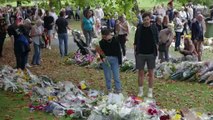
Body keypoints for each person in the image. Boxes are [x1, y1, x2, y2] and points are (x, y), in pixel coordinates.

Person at [134, 12, 159, 98]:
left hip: (151, 54)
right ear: (142, 20)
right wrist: (135, 52)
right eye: (144, 20)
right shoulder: (139, 28)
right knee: (140, 73)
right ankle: (140, 90)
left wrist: (156, 51)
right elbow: (135, 41)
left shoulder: (154, 28)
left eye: (148, 19)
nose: (146, 21)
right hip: (140, 53)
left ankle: (150, 91)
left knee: (151, 73)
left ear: (150, 19)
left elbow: (157, 40)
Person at [99, 28, 122, 94]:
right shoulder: (101, 42)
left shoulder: (116, 40)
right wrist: (102, 58)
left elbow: (119, 52)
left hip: (115, 59)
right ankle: (109, 89)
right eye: (103, 37)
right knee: (107, 75)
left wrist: (120, 62)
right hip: (106, 59)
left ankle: (118, 89)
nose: (105, 38)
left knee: (116, 75)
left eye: (106, 36)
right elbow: (101, 52)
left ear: (109, 34)